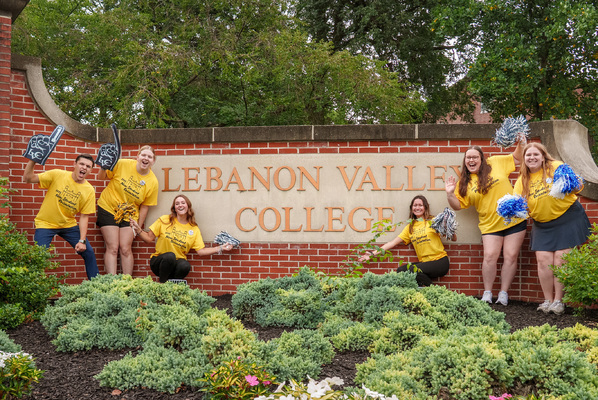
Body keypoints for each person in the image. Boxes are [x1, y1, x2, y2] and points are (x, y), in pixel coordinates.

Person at [444, 140, 526, 306]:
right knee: (489, 257)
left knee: (510, 256)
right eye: (468, 158)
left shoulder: (495, 162)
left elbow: (517, 158)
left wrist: (522, 143)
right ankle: (487, 293)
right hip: (489, 225)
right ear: (465, 161)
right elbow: (458, 206)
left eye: (475, 157)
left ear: (481, 158)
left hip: (514, 220)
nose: (471, 160)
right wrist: (450, 194)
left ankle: (503, 293)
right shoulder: (464, 182)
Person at [513, 143, 590, 315]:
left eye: (535, 154)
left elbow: (577, 187)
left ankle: (558, 301)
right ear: (524, 159)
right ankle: (547, 300)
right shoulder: (522, 180)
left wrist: (573, 183)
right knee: (543, 261)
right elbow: (518, 205)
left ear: (543, 156)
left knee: (561, 260)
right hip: (542, 224)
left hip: (567, 218)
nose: (532, 158)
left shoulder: (556, 167)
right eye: (528, 155)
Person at [23, 154, 99, 279]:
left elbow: (84, 217)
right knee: (39, 256)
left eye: (88, 166)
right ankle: (33, 289)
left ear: (91, 170)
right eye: (81, 164)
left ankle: (98, 287)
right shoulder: (58, 175)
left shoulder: (89, 190)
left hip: (68, 224)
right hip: (45, 223)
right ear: (74, 165)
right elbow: (28, 178)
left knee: (89, 252)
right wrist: (33, 160)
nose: (84, 168)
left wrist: (82, 240)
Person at [130, 194, 234, 282]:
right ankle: (161, 286)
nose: (180, 205)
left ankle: (172, 288)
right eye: (177, 203)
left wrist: (220, 248)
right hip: (159, 262)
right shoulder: (165, 220)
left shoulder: (193, 228)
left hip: (177, 264)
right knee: (170, 256)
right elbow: (148, 238)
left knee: (185, 265)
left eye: (183, 203)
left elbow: (201, 251)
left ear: (188, 206)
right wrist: (138, 229)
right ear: (174, 208)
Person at [358, 195, 455, 287]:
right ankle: (426, 289)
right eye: (415, 205)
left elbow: (453, 239)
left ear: (425, 207)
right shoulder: (410, 227)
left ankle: (433, 291)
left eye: (420, 205)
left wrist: (449, 228)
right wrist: (372, 253)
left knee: (413, 270)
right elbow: (392, 243)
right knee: (402, 270)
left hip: (440, 262)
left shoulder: (433, 221)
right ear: (411, 208)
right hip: (425, 263)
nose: (417, 207)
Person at [97, 145, 159, 275]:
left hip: (130, 214)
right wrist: (104, 166)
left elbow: (145, 206)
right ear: (137, 157)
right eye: (143, 155)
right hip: (108, 208)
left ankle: (126, 283)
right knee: (113, 248)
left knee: (125, 249)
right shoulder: (122, 164)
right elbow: (101, 177)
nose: (146, 158)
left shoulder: (152, 181)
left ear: (153, 161)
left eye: (149, 157)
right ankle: (112, 283)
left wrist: (138, 227)